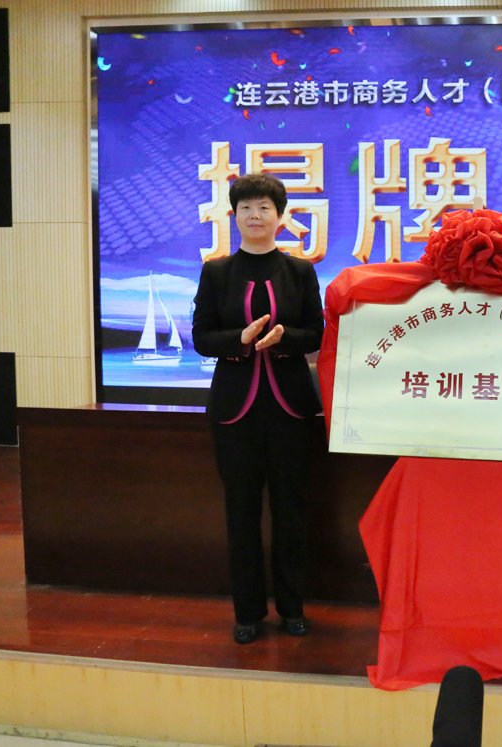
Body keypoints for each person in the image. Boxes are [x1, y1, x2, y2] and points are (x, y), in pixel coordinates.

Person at [192, 172, 324, 644]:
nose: (255, 215)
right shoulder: (217, 272)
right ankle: (247, 613)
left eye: (264, 207)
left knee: (291, 512)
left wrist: (285, 339)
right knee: (241, 514)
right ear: (235, 216)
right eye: (246, 207)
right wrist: (241, 340)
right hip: (236, 413)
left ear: (279, 216)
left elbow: (317, 332)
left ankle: (293, 609)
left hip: (290, 411)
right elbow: (202, 337)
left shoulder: (300, 271)